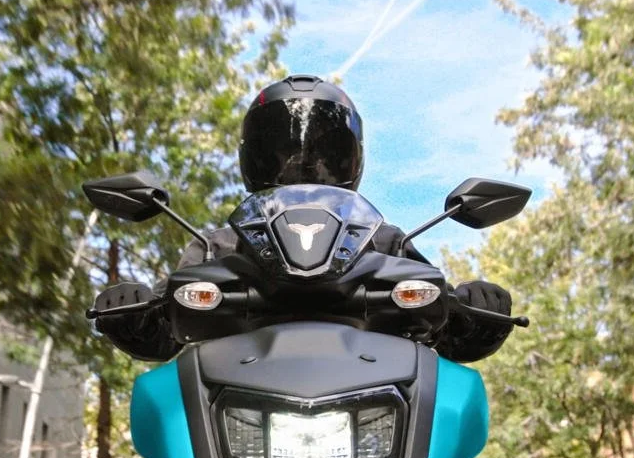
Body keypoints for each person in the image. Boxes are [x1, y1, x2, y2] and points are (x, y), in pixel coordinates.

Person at [95, 74, 516, 362]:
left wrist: (473, 313)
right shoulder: (217, 247)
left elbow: (441, 327)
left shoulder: (386, 243)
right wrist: (134, 313)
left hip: (375, 395)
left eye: (327, 153)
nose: (306, 163)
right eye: (282, 151)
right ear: (253, 157)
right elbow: (165, 331)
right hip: (234, 394)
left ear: (352, 158)